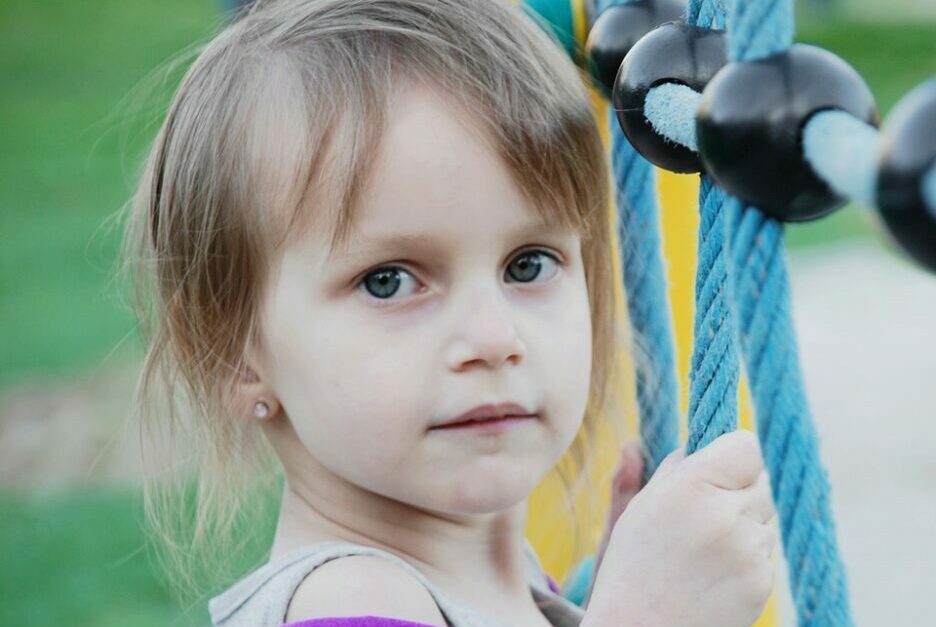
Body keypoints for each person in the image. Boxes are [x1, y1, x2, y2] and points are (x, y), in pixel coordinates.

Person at [123, 0, 778, 625]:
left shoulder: (508, 584)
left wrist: (611, 593)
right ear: (231, 348)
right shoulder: (349, 601)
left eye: (527, 265)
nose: (494, 338)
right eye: (388, 280)